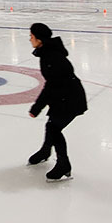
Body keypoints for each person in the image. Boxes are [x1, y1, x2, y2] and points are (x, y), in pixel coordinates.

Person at [26, 23, 87, 182]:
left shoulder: (51, 56)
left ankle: (63, 164)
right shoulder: (46, 52)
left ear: (39, 39)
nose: (30, 39)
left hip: (70, 98)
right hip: (63, 96)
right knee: (51, 125)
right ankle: (45, 152)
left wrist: (37, 107)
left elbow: (51, 85)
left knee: (54, 128)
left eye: (31, 36)